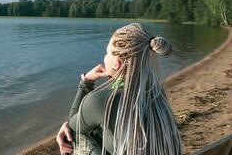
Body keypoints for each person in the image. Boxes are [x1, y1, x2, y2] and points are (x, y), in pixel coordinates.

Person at [56, 23, 183, 155]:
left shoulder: (100, 101)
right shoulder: (156, 90)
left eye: (107, 53)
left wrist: (86, 82)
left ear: (116, 63)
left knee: (76, 135)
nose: (105, 57)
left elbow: (72, 128)